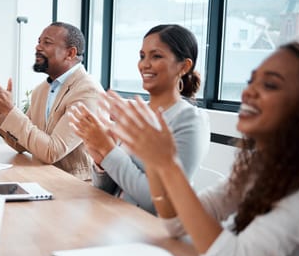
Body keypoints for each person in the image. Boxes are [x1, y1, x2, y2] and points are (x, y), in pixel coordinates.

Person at [106, 35, 299, 256]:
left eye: (270, 85)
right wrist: (157, 163)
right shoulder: (260, 167)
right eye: (250, 81)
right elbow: (176, 224)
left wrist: (166, 164)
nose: (248, 92)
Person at [69, 24, 210, 214]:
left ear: (184, 66)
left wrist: (108, 150)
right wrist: (100, 162)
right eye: (142, 56)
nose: (145, 64)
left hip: (150, 230)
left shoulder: (190, 119)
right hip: (115, 221)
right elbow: (107, 190)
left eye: (156, 56)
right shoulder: (136, 112)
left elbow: (160, 203)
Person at [0, 22, 103, 180]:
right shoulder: (41, 90)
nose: (38, 47)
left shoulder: (88, 92)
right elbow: (21, 144)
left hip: (73, 187)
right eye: (39, 42)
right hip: (41, 179)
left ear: (70, 53)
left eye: (47, 42)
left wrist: (10, 111)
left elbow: (52, 151)